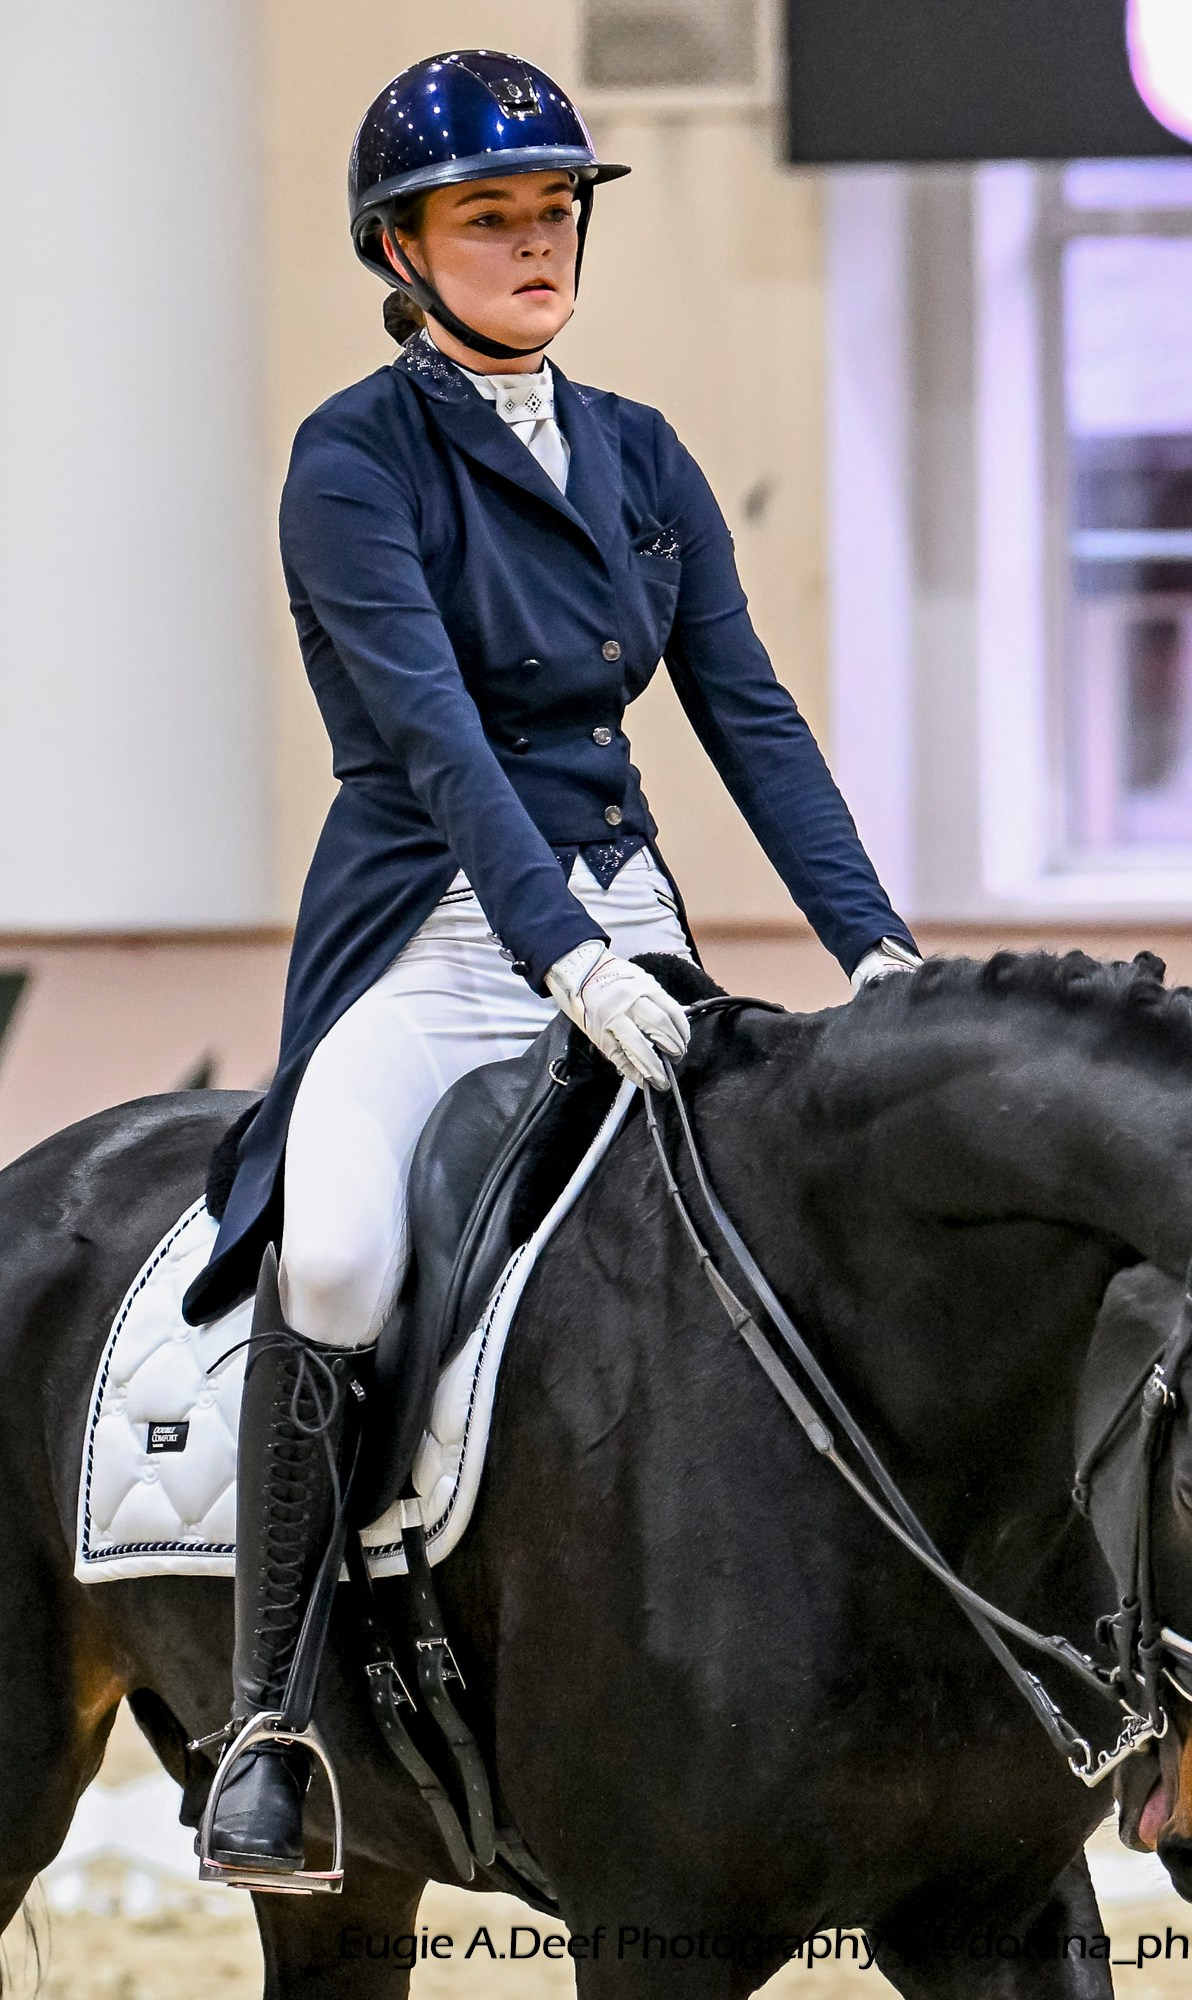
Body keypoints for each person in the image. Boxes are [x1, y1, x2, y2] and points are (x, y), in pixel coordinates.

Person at [184, 48, 920, 1883]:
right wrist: (561, 951)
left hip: (626, 921)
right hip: (430, 931)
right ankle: (272, 1720)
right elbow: (435, 739)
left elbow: (749, 715)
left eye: (553, 212)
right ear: (402, 249)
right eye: (487, 219)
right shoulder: (352, 458)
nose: (534, 246)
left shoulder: (643, 450)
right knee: (337, 1253)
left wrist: (876, 947)